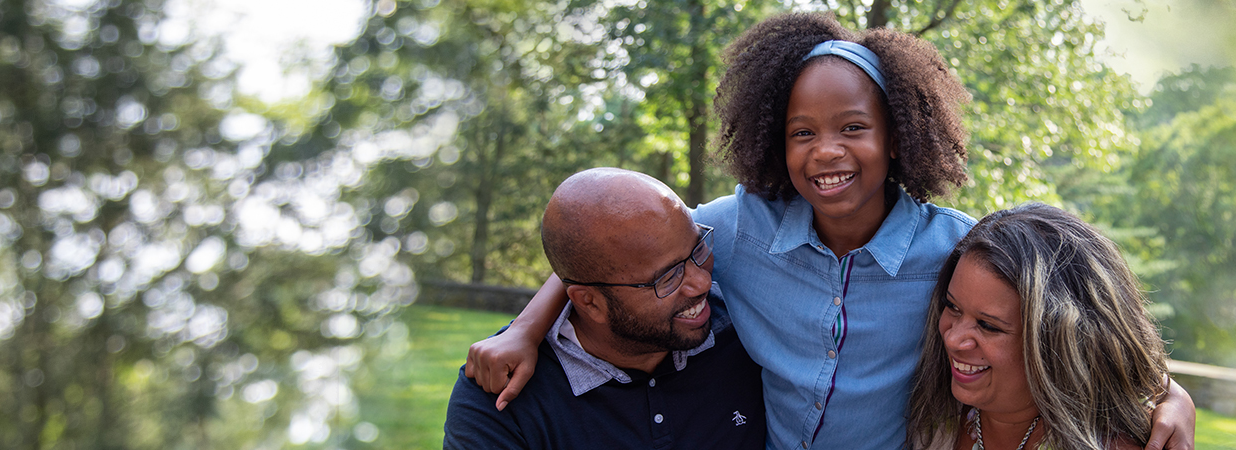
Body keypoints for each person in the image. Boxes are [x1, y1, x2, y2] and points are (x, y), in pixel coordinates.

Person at [464, 13, 1196, 449]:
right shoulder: (736, 229)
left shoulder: (959, 251)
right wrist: (526, 330)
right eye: (801, 132)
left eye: (854, 128)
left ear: (902, 136)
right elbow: (616, 247)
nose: (826, 151)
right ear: (773, 143)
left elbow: (1070, 317)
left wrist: (1168, 390)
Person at [443, 168, 765, 449]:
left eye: (697, 248)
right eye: (667, 278)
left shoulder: (745, 324)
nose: (701, 283)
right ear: (589, 302)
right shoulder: (501, 395)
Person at [907, 203, 1186, 450]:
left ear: (1059, 340)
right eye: (953, 306)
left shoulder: (1115, 443)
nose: (954, 339)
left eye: (987, 326)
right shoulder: (934, 414)